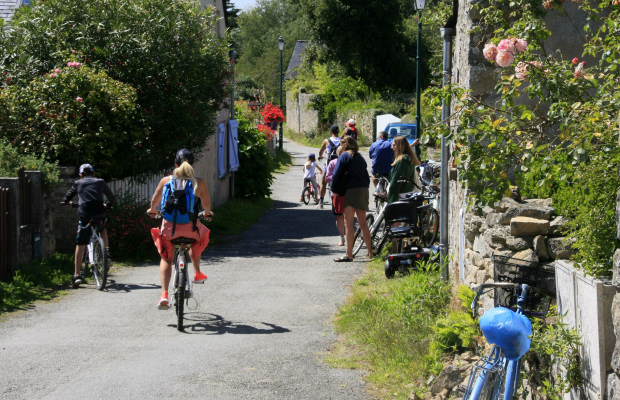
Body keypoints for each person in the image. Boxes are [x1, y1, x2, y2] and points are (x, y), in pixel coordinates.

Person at [147, 149, 213, 309]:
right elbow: (206, 205)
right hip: (190, 230)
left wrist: (152, 210)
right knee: (201, 237)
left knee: (166, 259)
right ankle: (197, 272)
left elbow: (155, 200)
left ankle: (164, 295)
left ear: (175, 164)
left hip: (169, 231)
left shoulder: (166, 181)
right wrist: (208, 213)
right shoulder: (199, 182)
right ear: (192, 165)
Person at [62, 163, 115, 287]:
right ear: (94, 173)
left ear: (81, 175)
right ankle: (106, 253)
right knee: (102, 228)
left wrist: (67, 202)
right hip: (99, 211)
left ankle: (76, 275)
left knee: (80, 244)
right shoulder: (100, 182)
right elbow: (111, 197)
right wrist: (107, 205)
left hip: (85, 213)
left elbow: (66, 197)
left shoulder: (78, 183)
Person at [331, 136, 372, 261]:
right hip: (363, 190)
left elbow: (336, 174)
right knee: (363, 223)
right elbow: (366, 175)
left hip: (350, 191)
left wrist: (334, 189)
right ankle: (370, 252)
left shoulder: (344, 156)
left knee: (348, 223)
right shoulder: (360, 157)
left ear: (344, 145)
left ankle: (349, 254)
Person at [388, 136, 422, 204]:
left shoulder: (401, 161)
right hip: (409, 192)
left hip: (401, 195)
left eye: (394, 145)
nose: (392, 147)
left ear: (400, 146)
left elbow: (395, 182)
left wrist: (391, 201)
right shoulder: (409, 158)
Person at [317, 125, 341, 208]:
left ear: (331, 132)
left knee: (323, 183)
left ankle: (321, 201)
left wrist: (320, 156)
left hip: (329, 164)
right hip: (339, 165)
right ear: (338, 132)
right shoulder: (342, 141)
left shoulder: (326, 141)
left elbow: (321, 151)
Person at [325, 149, 345, 246]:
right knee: (339, 217)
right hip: (336, 193)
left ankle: (347, 237)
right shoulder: (333, 163)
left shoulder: (350, 163)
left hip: (349, 193)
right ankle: (342, 237)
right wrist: (336, 176)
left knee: (346, 217)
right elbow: (327, 177)